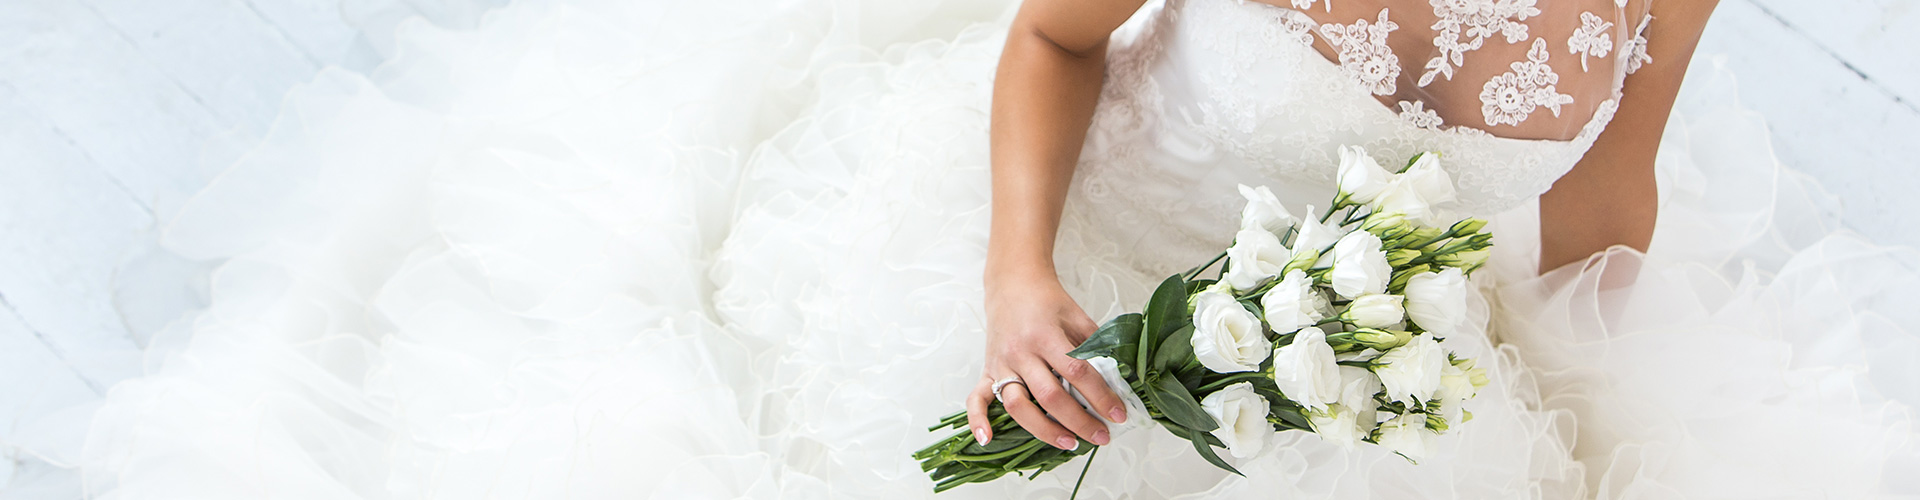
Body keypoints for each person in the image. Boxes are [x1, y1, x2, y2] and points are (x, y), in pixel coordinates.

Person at [29, 0, 1917, 498]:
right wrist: (1017, 280)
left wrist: (1563, 389)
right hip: (1084, 239)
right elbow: (1055, 40)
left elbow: (1609, 186)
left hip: (1332, 345)